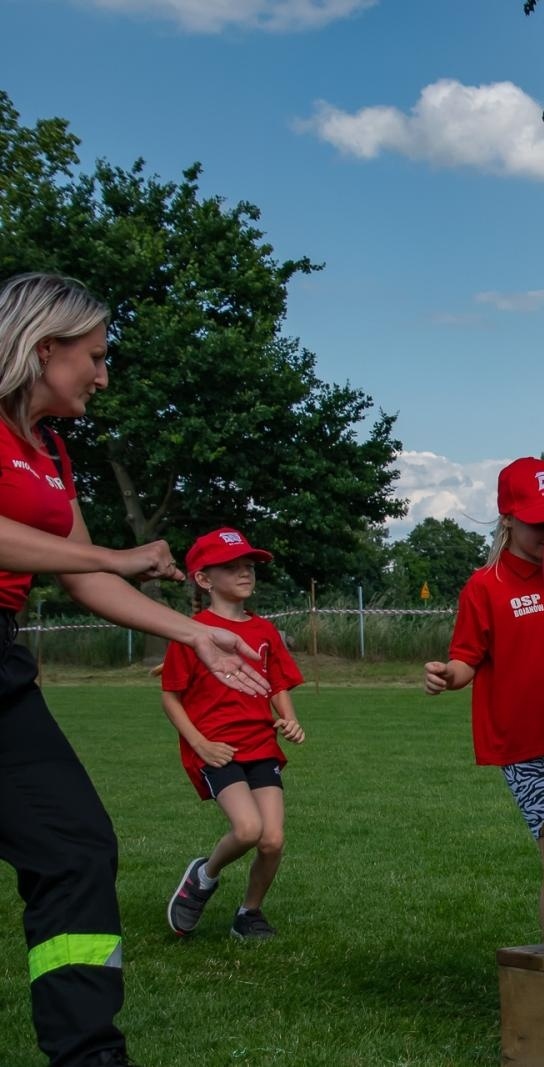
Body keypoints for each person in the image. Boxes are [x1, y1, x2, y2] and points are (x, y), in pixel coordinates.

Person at [0, 272, 268, 1067]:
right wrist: (109, 551)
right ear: (45, 348)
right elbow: (86, 559)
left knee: (75, 848)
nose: (104, 374)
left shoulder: (50, 449)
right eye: (95, 356)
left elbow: (85, 580)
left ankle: (88, 1057)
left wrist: (195, 633)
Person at [423, 458, 544, 840]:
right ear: (508, 520)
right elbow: (466, 660)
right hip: (522, 745)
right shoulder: (486, 586)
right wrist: (448, 675)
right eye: (539, 522)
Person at [162, 528, 305, 942]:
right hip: (216, 750)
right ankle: (203, 877)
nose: (245, 573)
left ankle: (249, 914)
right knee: (247, 830)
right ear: (204, 580)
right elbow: (170, 698)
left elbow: (278, 683)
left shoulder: (263, 631)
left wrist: (289, 719)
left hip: (260, 745)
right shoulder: (193, 632)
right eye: (232, 567)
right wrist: (199, 744)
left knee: (272, 840)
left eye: (249, 565)